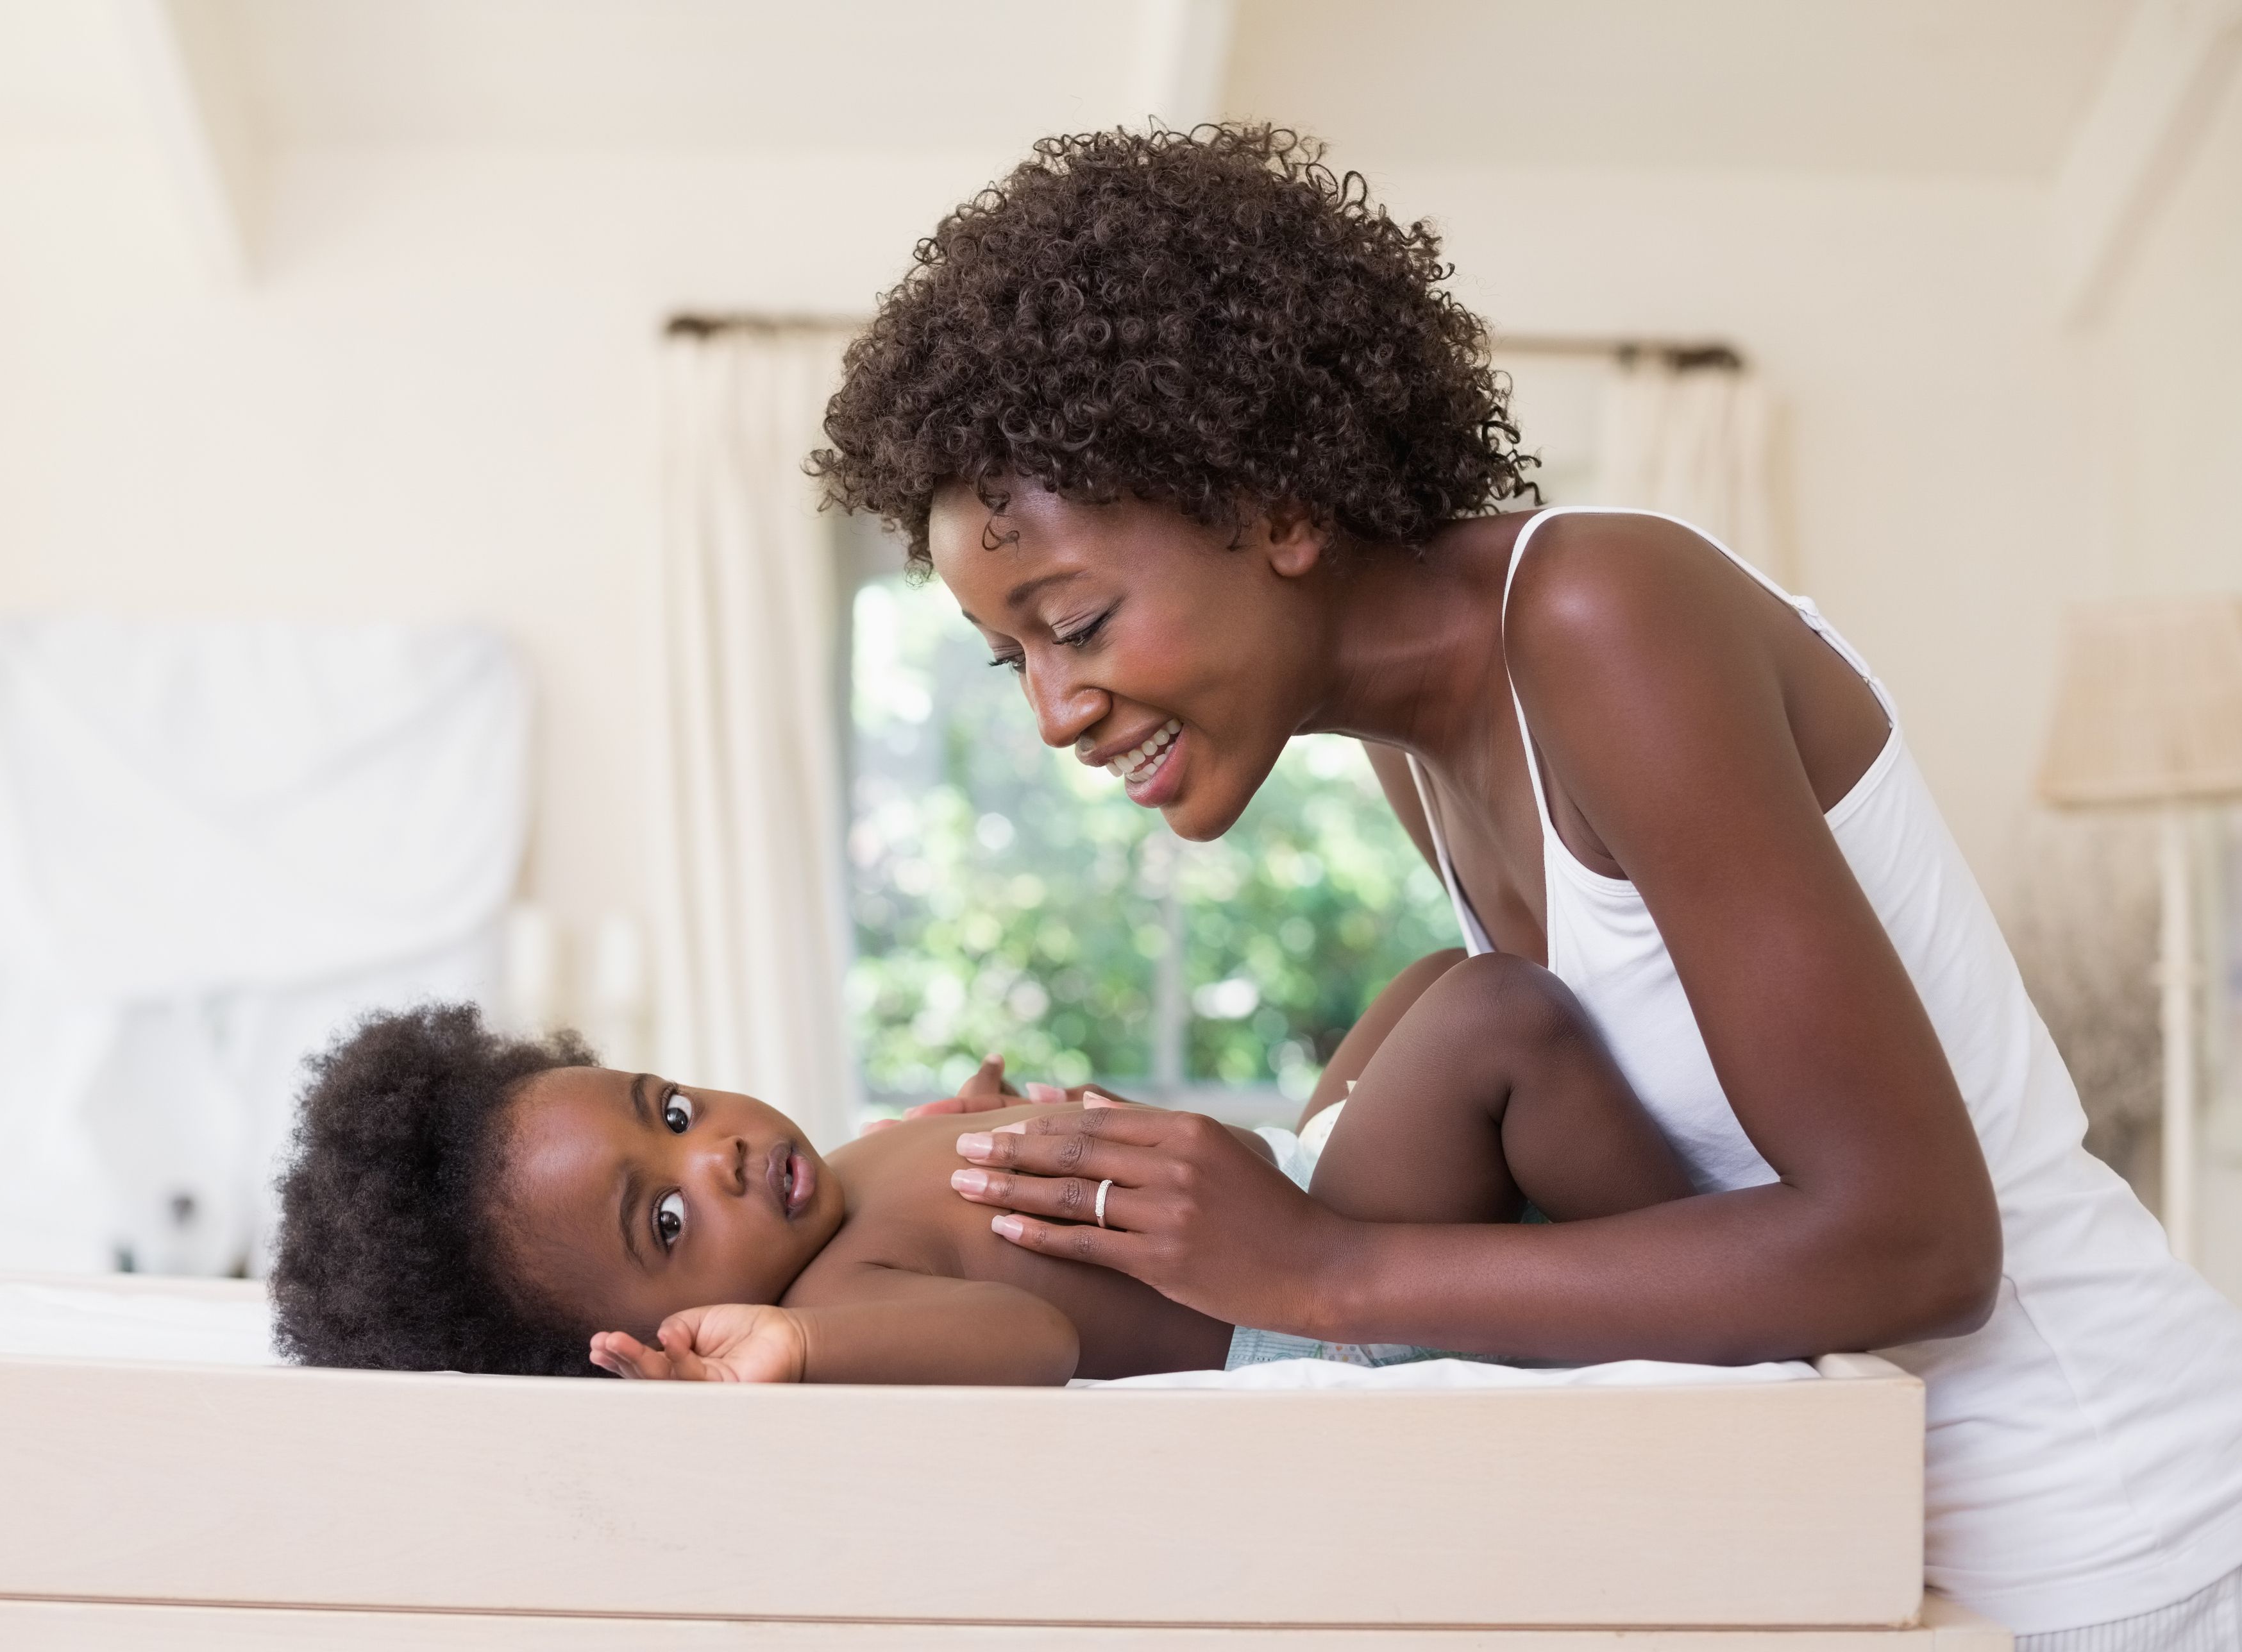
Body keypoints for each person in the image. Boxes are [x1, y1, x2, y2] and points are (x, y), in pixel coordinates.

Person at [808, 124, 2242, 1646]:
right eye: (1009, 653)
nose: (1051, 710)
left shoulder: (1603, 617)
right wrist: (1217, 1196)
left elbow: (1917, 1246)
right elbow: (1631, 1187)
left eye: (1078, 619)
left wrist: (1328, 1265)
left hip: (2117, 1540)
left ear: (1282, 504)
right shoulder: (1411, 746)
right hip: (1850, 1544)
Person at [268, 959, 1689, 1385]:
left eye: (673, 1105)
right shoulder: (839, 1288)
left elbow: (973, 1195)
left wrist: (964, 1124)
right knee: (1497, 1015)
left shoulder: (843, 1170)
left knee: (1425, 978)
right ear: (656, 1331)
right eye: (663, 1216)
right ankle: (1694, 1256)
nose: (719, 1150)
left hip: (1309, 1183)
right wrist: (800, 1343)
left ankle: (1584, 1215)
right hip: (1312, 1278)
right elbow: (1033, 1328)